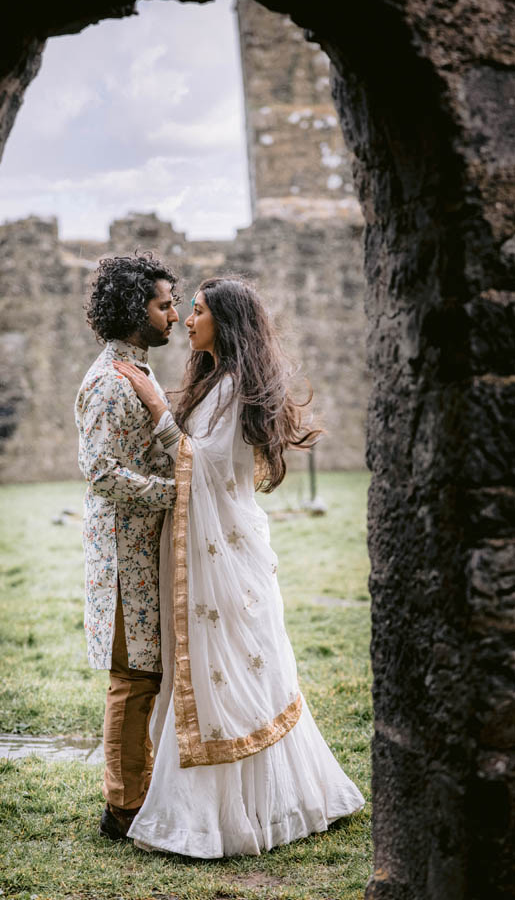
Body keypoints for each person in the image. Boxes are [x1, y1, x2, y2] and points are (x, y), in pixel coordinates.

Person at [114, 276, 365, 858]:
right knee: (218, 665)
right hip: (208, 545)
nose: (185, 320)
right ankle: (232, 804)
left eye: (196, 311)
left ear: (223, 323)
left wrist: (155, 407)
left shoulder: (230, 387)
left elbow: (204, 465)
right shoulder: (214, 382)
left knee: (232, 666)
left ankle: (225, 815)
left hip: (223, 551)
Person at [74, 253, 180, 841]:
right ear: (132, 309)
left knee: (147, 674)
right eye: (163, 305)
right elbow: (103, 473)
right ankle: (122, 809)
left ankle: (138, 794)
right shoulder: (110, 382)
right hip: (123, 558)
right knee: (132, 678)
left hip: (145, 551)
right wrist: (180, 495)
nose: (173, 315)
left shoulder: (135, 370)